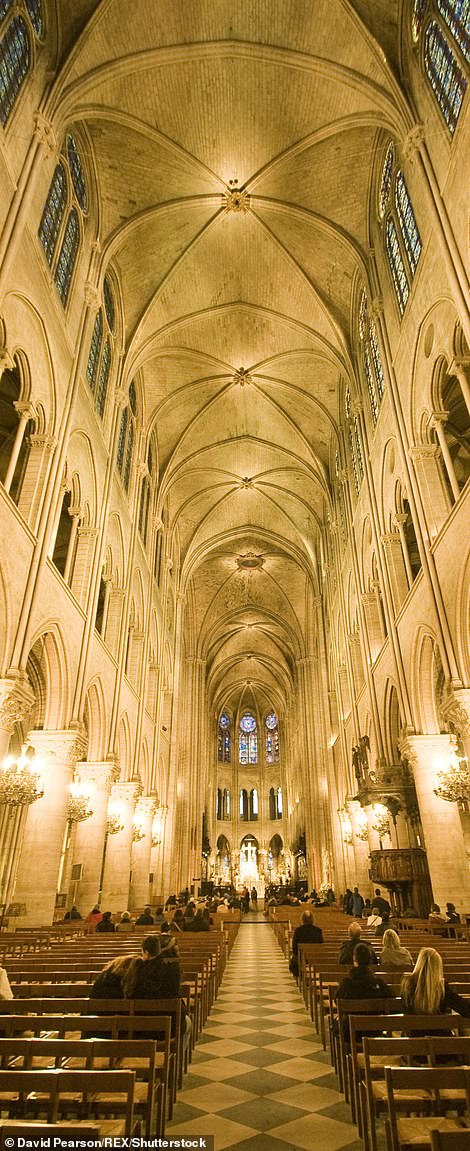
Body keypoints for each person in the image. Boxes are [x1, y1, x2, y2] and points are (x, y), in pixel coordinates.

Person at [336, 942, 392, 1040]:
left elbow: (337, 1001)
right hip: (375, 1030)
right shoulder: (378, 983)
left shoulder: (347, 983)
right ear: (370, 960)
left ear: (354, 959)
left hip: (351, 1032)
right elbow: (390, 1000)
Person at [401, 947, 470, 1018]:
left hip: (411, 1025)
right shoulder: (441, 987)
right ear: (437, 967)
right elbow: (462, 1007)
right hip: (439, 1025)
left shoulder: (407, 983)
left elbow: (404, 1008)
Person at [289, 911, 323, 977]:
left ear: (302, 919)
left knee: (294, 959)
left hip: (301, 958)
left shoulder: (298, 930)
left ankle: (299, 976)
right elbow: (320, 945)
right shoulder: (318, 931)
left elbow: (294, 947)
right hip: (315, 958)